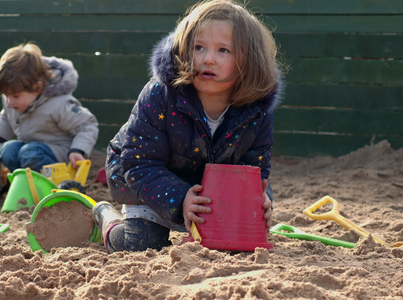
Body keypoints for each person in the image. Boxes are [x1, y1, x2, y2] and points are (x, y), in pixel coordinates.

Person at [93, 0, 284, 253]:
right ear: (184, 49)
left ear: (249, 60)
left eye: (223, 50)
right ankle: (107, 219)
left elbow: (255, 171)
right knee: (142, 246)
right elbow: (139, 163)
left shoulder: (256, 111)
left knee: (236, 245)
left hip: (204, 194)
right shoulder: (161, 95)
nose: (208, 59)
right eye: (199, 47)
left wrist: (262, 198)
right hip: (146, 182)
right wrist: (181, 197)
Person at [0, 43, 99, 172]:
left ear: (37, 88)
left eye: (15, 96)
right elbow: (6, 117)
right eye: (6, 95)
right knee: (8, 150)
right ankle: (23, 183)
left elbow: (87, 125)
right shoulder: (14, 103)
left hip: (60, 156)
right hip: (30, 151)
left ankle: (45, 185)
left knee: (30, 153)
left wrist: (78, 150)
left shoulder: (58, 104)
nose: (9, 101)